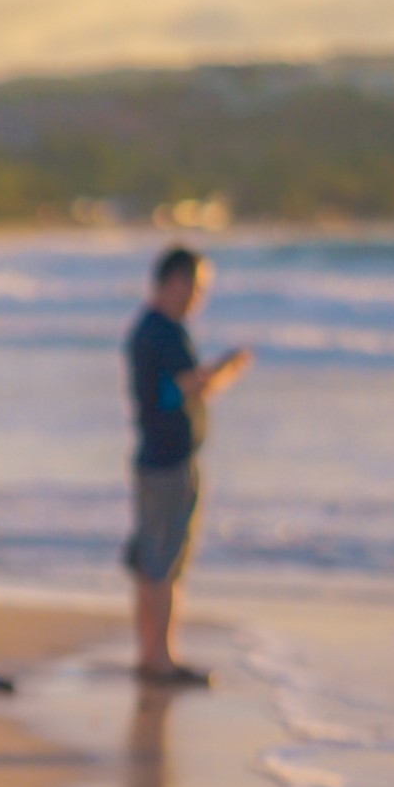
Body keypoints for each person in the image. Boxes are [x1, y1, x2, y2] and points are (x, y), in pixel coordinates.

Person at [124, 247, 253, 685]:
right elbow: (190, 385)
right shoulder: (164, 333)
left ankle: (152, 655)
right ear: (176, 281)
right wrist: (229, 368)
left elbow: (174, 392)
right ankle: (159, 660)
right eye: (197, 287)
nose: (199, 297)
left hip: (154, 459)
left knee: (152, 561)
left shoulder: (147, 329)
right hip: (168, 463)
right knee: (164, 563)